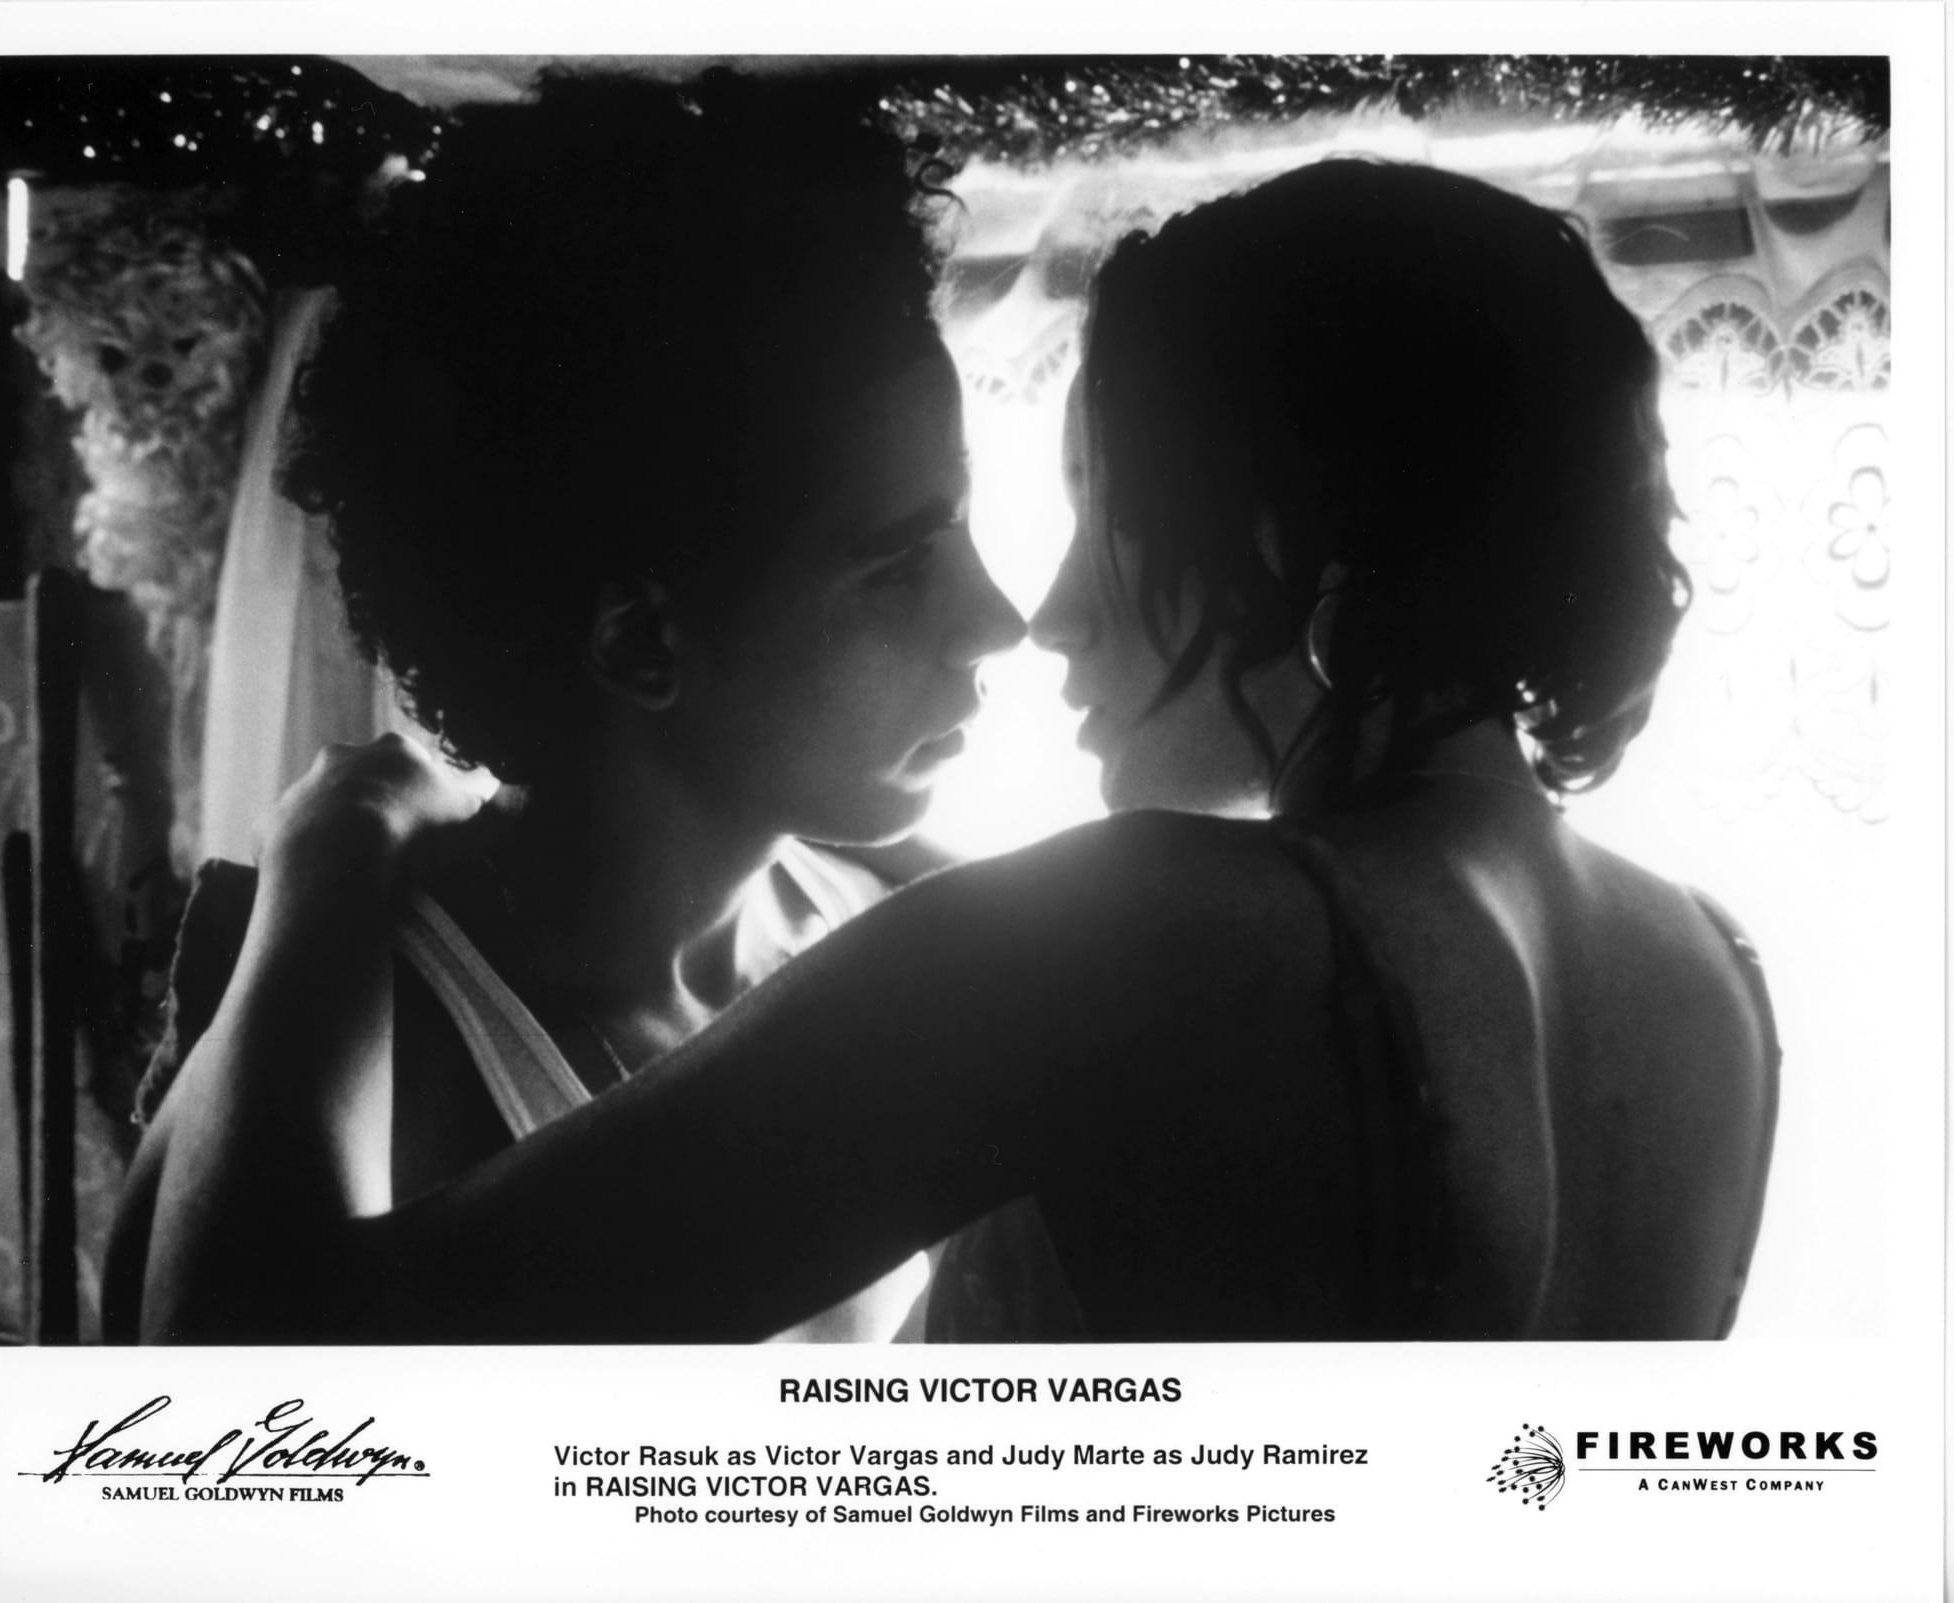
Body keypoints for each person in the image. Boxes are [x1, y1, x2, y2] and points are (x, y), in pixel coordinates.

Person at [129, 159, 1779, 1344]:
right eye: (917, 546)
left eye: (1108, 518)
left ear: (1299, 548)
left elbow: (250, 1379)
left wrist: (331, 842)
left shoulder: (1130, 931)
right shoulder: (1715, 969)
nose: (1035, 615)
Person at [101, 70, 1024, 1344]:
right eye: (898, 563)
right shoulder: (361, 1063)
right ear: (643, 641)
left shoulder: (905, 923)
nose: (1000, 620)